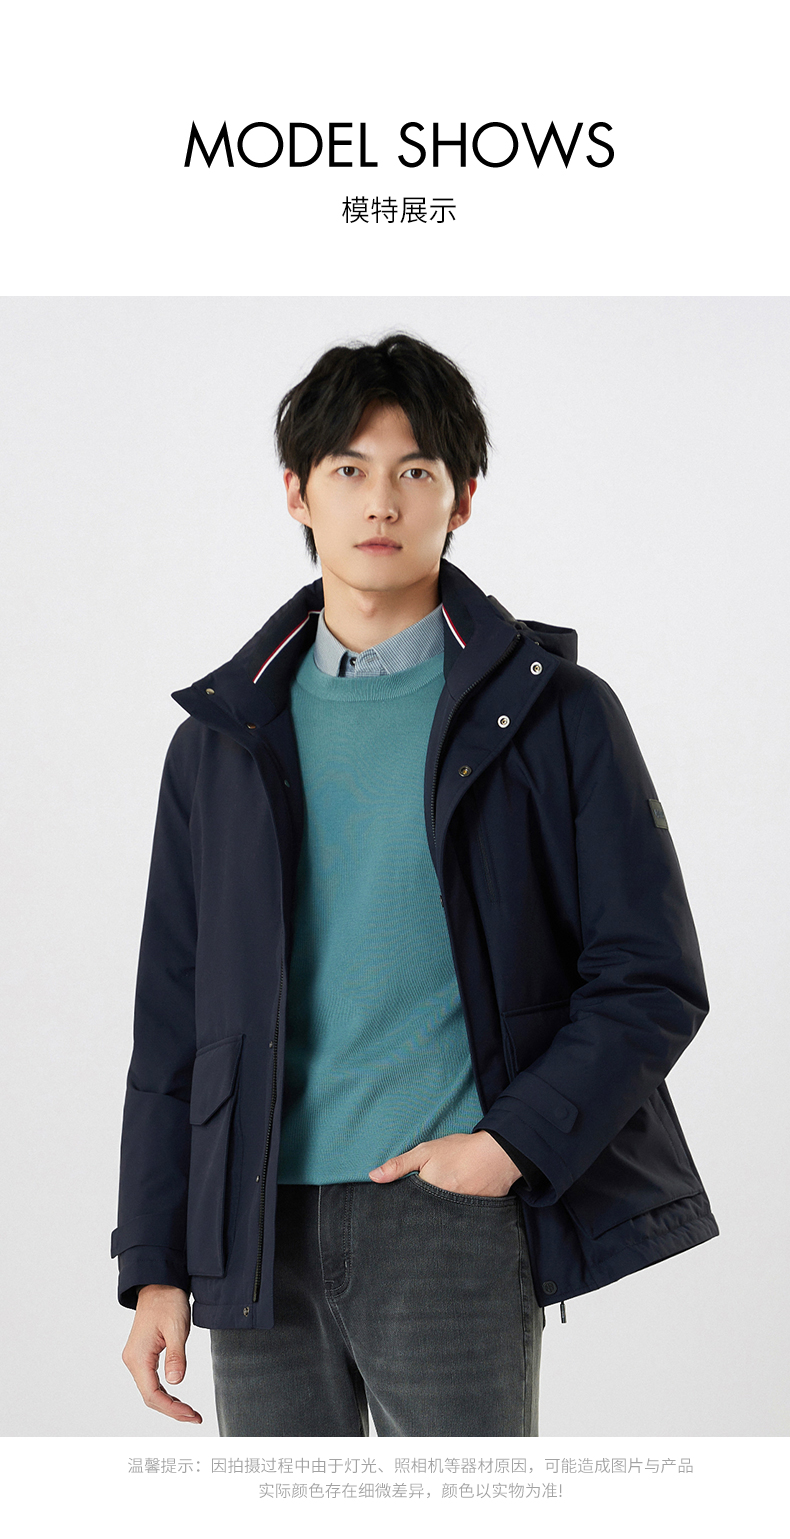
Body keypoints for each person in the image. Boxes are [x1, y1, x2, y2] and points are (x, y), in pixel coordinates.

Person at [113, 332, 718, 1436]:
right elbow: (174, 1026)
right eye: (348, 468)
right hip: (257, 1226)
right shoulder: (219, 744)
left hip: (453, 1215)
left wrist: (507, 1146)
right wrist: (157, 1261)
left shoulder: (556, 715)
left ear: (462, 498)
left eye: (416, 470)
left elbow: (650, 977)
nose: (381, 501)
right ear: (296, 492)